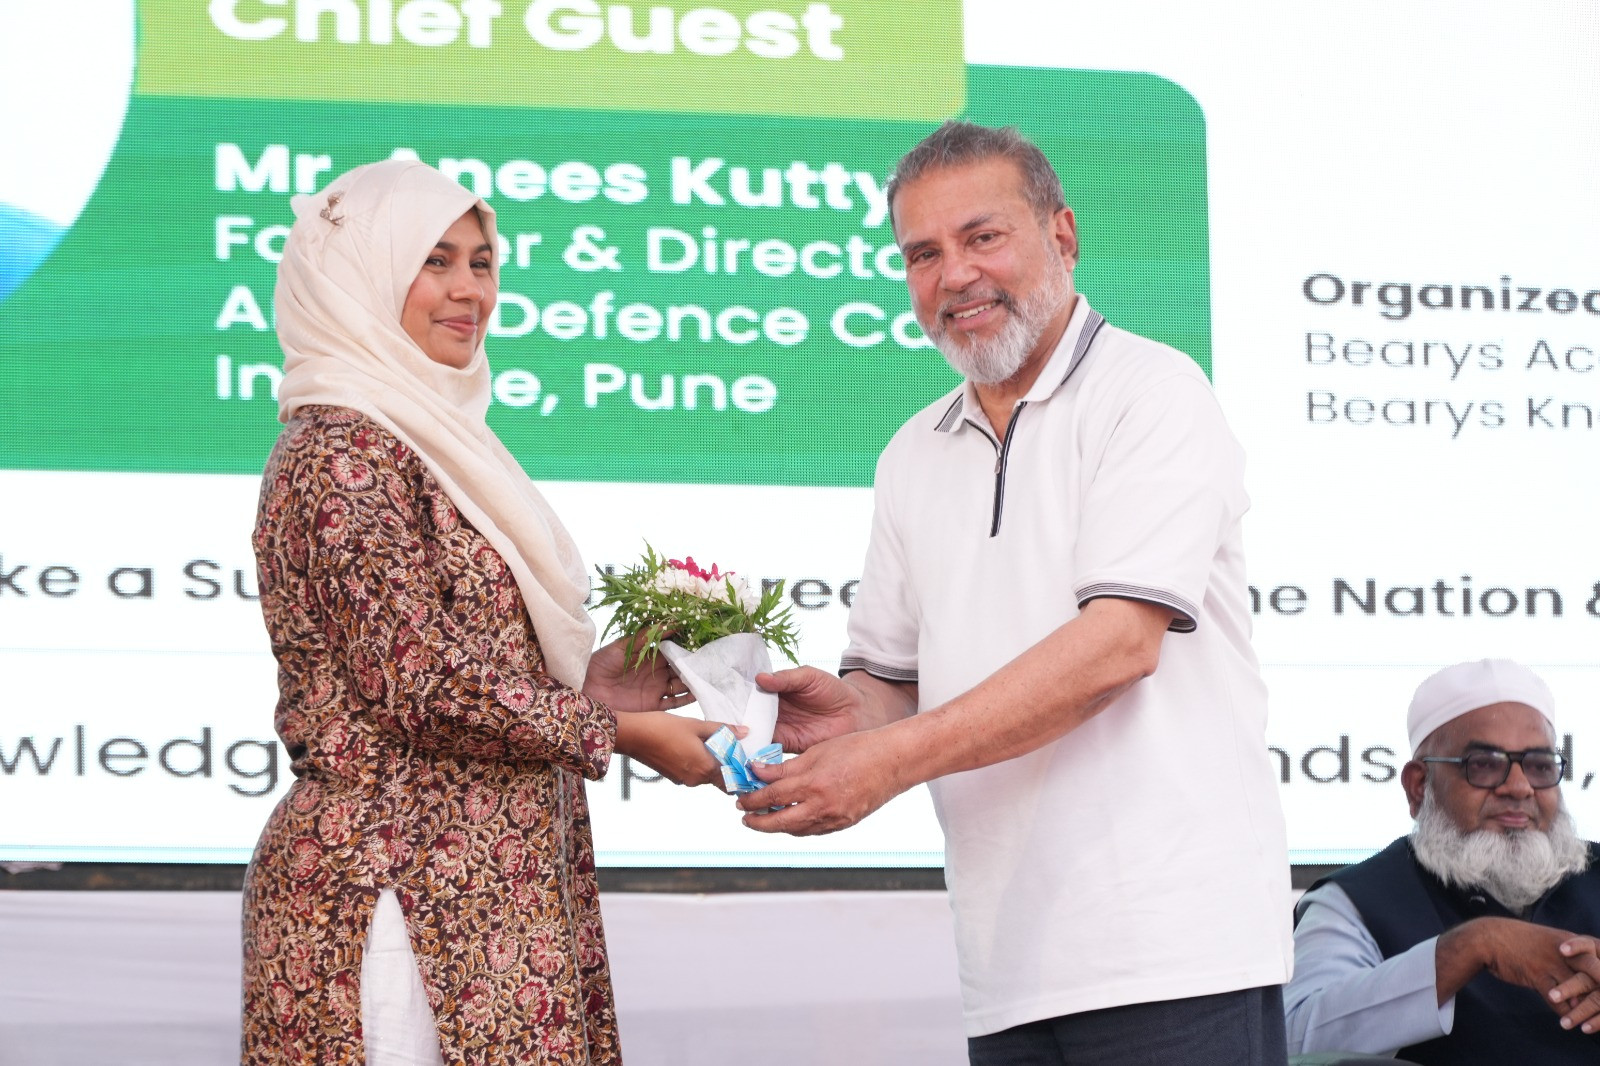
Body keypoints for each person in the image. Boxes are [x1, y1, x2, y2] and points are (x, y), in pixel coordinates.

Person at [738, 121, 1293, 1064]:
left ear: (1062, 235)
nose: (955, 275)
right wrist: (839, 722)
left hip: (1176, 951)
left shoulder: (1153, 390)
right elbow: (893, 680)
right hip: (1007, 966)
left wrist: (886, 763)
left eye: (982, 237)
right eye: (923, 253)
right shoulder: (912, 451)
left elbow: (1117, 646)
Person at [243, 159, 725, 1065]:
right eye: (434, 261)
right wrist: (619, 735)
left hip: (485, 888)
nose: (471, 290)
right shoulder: (345, 452)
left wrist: (594, 690)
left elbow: (473, 669)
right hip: (398, 893)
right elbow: (421, 685)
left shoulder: (435, 441)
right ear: (359, 279)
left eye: (482, 262)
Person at [1286, 659, 1600, 1063]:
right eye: (1484, 765)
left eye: (1539, 767)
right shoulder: (1355, 902)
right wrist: (1471, 945)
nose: (1519, 787)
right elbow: (1293, 1040)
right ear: (1419, 786)